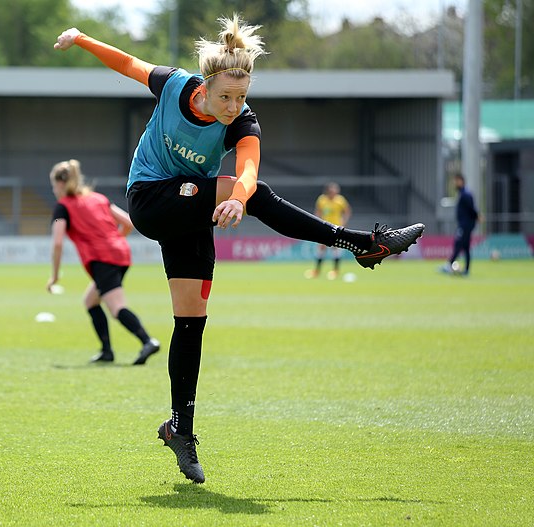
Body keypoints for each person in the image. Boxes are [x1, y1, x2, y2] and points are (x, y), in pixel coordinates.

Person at [54, 15, 424, 484]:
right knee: (253, 196)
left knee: (190, 325)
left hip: (191, 214)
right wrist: (81, 38)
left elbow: (248, 174)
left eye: (241, 97)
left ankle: (180, 431)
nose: (233, 106)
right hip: (150, 199)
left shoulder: (242, 122)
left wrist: (236, 197)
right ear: (204, 87)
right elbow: (125, 62)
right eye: (225, 96)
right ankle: (362, 245)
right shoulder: (172, 83)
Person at [46, 159, 160, 366]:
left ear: (61, 184)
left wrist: (54, 276)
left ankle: (148, 341)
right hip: (120, 253)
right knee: (91, 301)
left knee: (116, 307)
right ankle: (106, 351)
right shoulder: (98, 198)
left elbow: (57, 243)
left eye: (54, 185)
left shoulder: (61, 208)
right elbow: (127, 222)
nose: (54, 190)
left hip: (102, 259)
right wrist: (114, 242)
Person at [305, 182, 352, 280]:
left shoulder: (340, 200)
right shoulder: (322, 199)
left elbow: (347, 211)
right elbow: (318, 211)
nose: (334, 192)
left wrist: (343, 222)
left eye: (335, 190)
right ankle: (317, 271)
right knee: (321, 248)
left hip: (336, 228)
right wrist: (317, 223)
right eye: (332, 191)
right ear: (328, 191)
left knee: (335, 248)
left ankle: (335, 271)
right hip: (324, 227)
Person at [441, 173, 479, 276]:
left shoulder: (466, 194)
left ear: (461, 181)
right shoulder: (463, 193)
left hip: (465, 225)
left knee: (458, 244)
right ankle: (466, 270)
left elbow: (472, 209)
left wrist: (477, 216)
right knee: (466, 247)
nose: (454, 183)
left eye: (456, 181)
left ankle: (449, 265)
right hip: (465, 224)